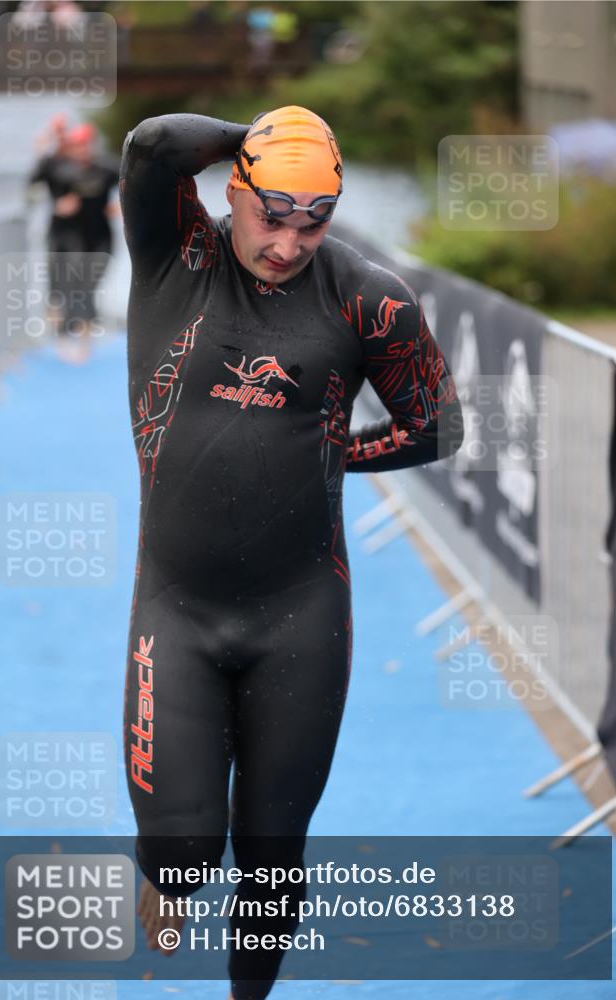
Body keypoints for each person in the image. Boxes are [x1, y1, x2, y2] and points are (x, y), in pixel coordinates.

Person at [120, 106, 463, 1000]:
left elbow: (438, 426)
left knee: (271, 860)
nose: (287, 243)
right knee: (183, 858)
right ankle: (169, 872)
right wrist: (264, 130)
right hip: (178, 613)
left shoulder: (367, 297)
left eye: (313, 221)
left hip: (301, 615)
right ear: (233, 194)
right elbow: (152, 146)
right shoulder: (175, 256)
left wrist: (332, 450)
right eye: (270, 215)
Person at [28, 122, 119, 360]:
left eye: (85, 146)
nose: (81, 151)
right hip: (65, 236)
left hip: (99, 237)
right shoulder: (58, 167)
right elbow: (34, 186)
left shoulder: (105, 168)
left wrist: (122, 206)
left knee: (87, 286)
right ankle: (63, 337)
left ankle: (84, 342)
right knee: (64, 287)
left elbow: (131, 185)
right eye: (76, 146)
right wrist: (58, 205)